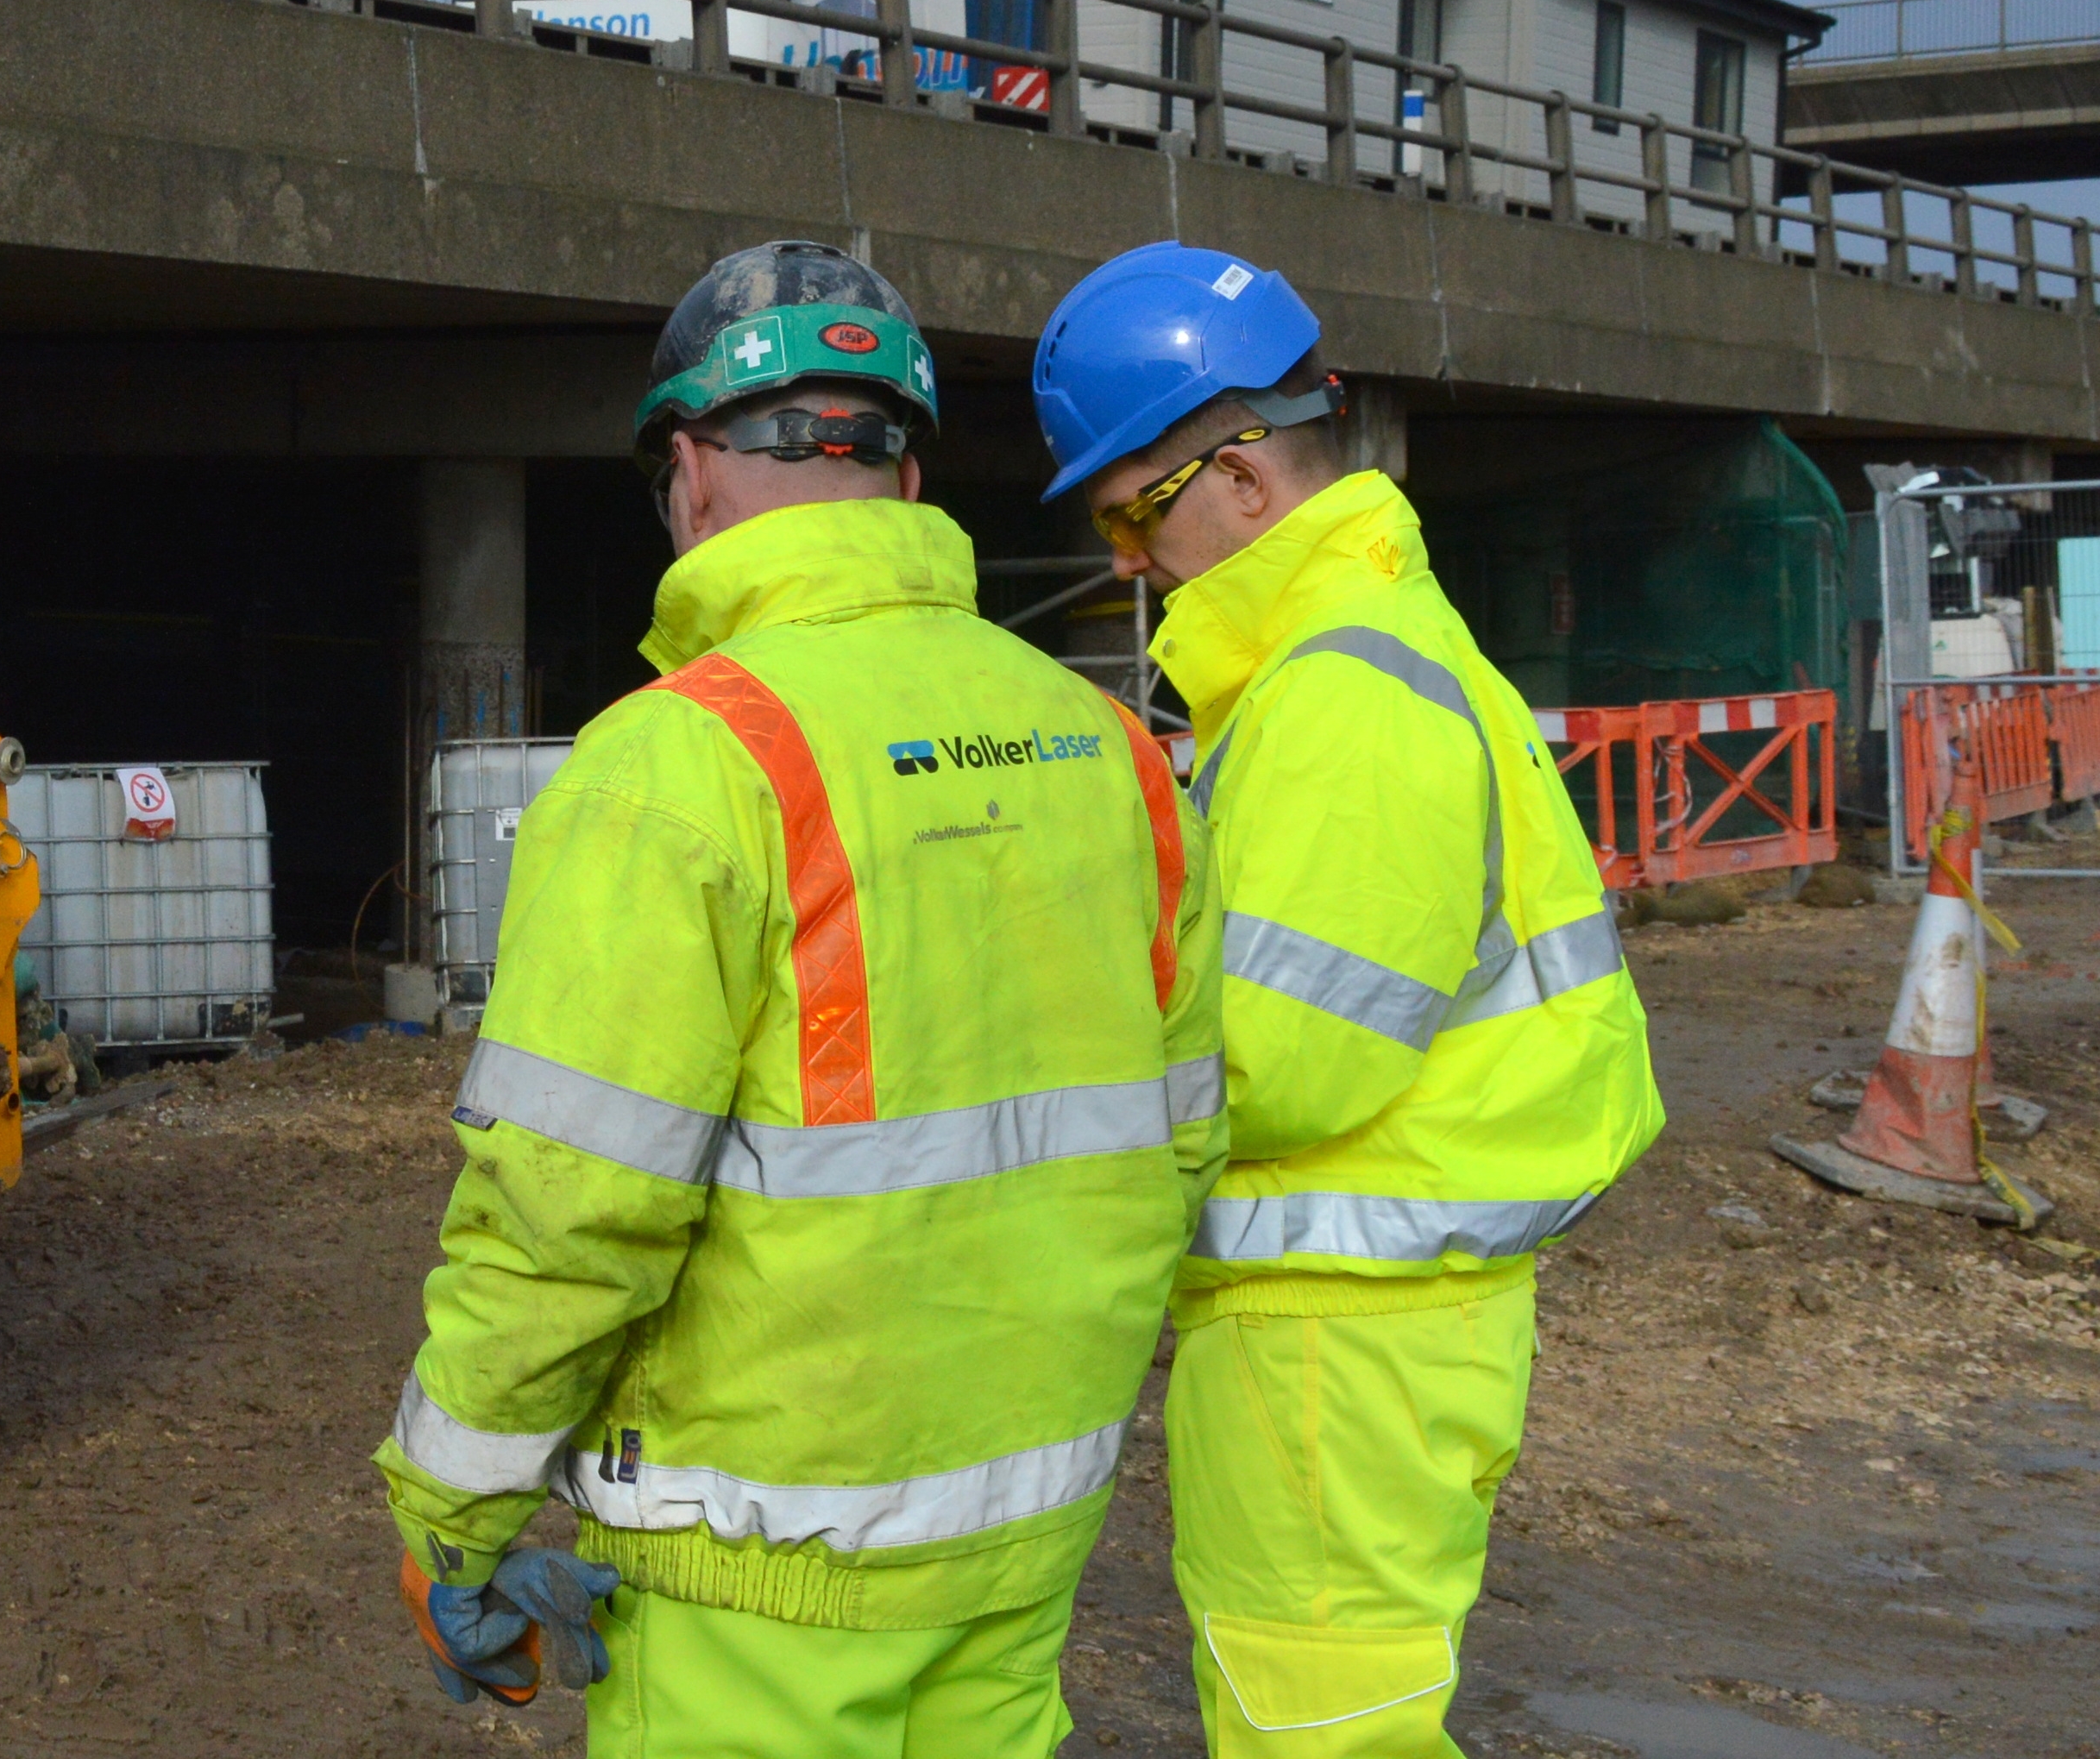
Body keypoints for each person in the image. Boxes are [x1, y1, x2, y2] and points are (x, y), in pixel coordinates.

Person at [377, 240, 1223, 1759]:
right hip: (1030, 1521)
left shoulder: (679, 765)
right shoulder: (1111, 747)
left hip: (756, 1567)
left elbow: (571, 1207)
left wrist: (456, 1508)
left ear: (690, 471)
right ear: (907, 481)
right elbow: (1184, 1136)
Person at [1030, 242, 1663, 1759]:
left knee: (1320, 1734)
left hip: (1337, 1338)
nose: (1125, 557)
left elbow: (1277, 1064)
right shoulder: (1357, 659)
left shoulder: (1342, 691)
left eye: (1136, 508)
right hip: (1379, 1320)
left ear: (1243, 475)